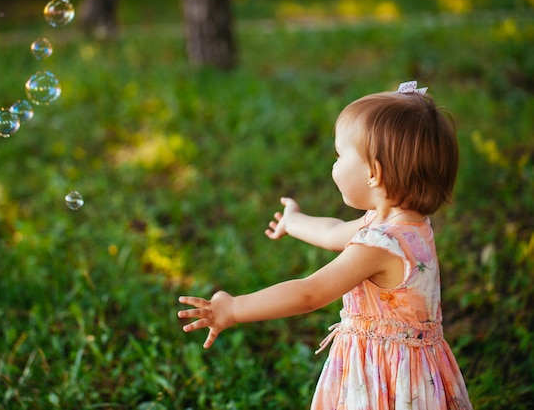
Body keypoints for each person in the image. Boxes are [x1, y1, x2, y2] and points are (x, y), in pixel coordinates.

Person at [177, 81, 473, 410]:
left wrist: (233, 309)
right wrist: (293, 221)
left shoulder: (380, 244)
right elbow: (334, 232)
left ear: (374, 173)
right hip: (416, 370)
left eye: (339, 154)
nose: (333, 164)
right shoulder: (403, 225)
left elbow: (309, 293)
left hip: (384, 378)